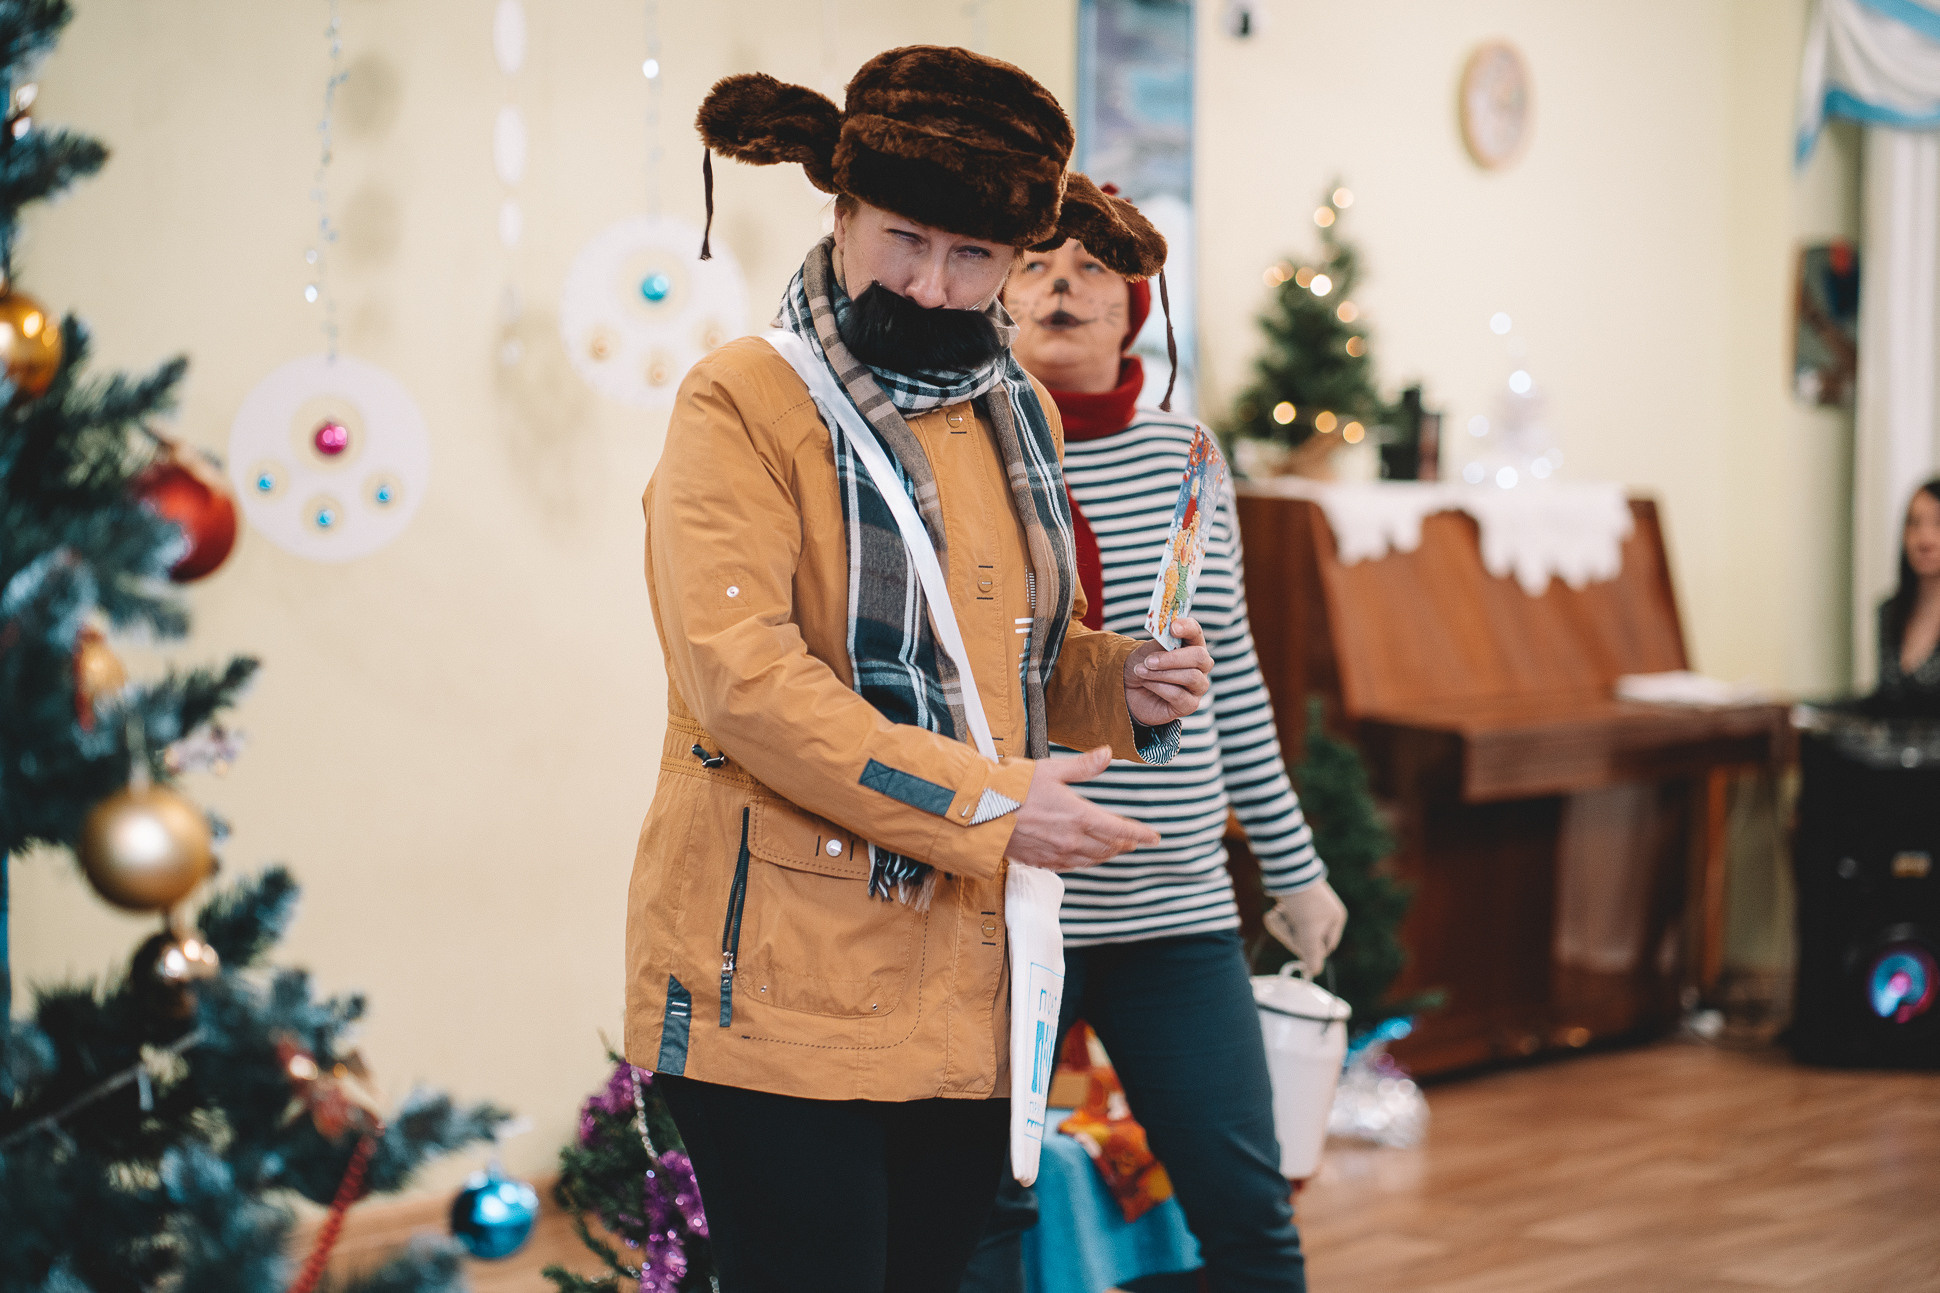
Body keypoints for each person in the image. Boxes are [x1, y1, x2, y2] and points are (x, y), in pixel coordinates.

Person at [626, 47, 1215, 1293]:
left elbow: (1009, 664)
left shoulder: (1019, 413)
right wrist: (997, 805)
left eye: (973, 258)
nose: (934, 285)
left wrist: (1120, 684)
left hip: (968, 991)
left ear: (1015, 258)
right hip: (776, 993)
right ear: (838, 212)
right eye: (903, 239)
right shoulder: (738, 401)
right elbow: (746, 687)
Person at [959, 234, 1350, 1293]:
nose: (1059, 287)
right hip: (1012, 907)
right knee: (983, 1223)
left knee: (1249, 1221)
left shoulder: (1188, 456)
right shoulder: (962, 445)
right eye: (1034, 266)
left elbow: (1232, 676)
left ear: (1132, 306)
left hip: (1173, 905)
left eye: (1089, 269)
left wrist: (1295, 867)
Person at [1876, 477, 1940, 713]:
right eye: (1914, 523)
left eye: (1938, 523)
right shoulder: (1889, 612)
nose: (1924, 539)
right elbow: (1883, 702)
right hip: (1894, 747)